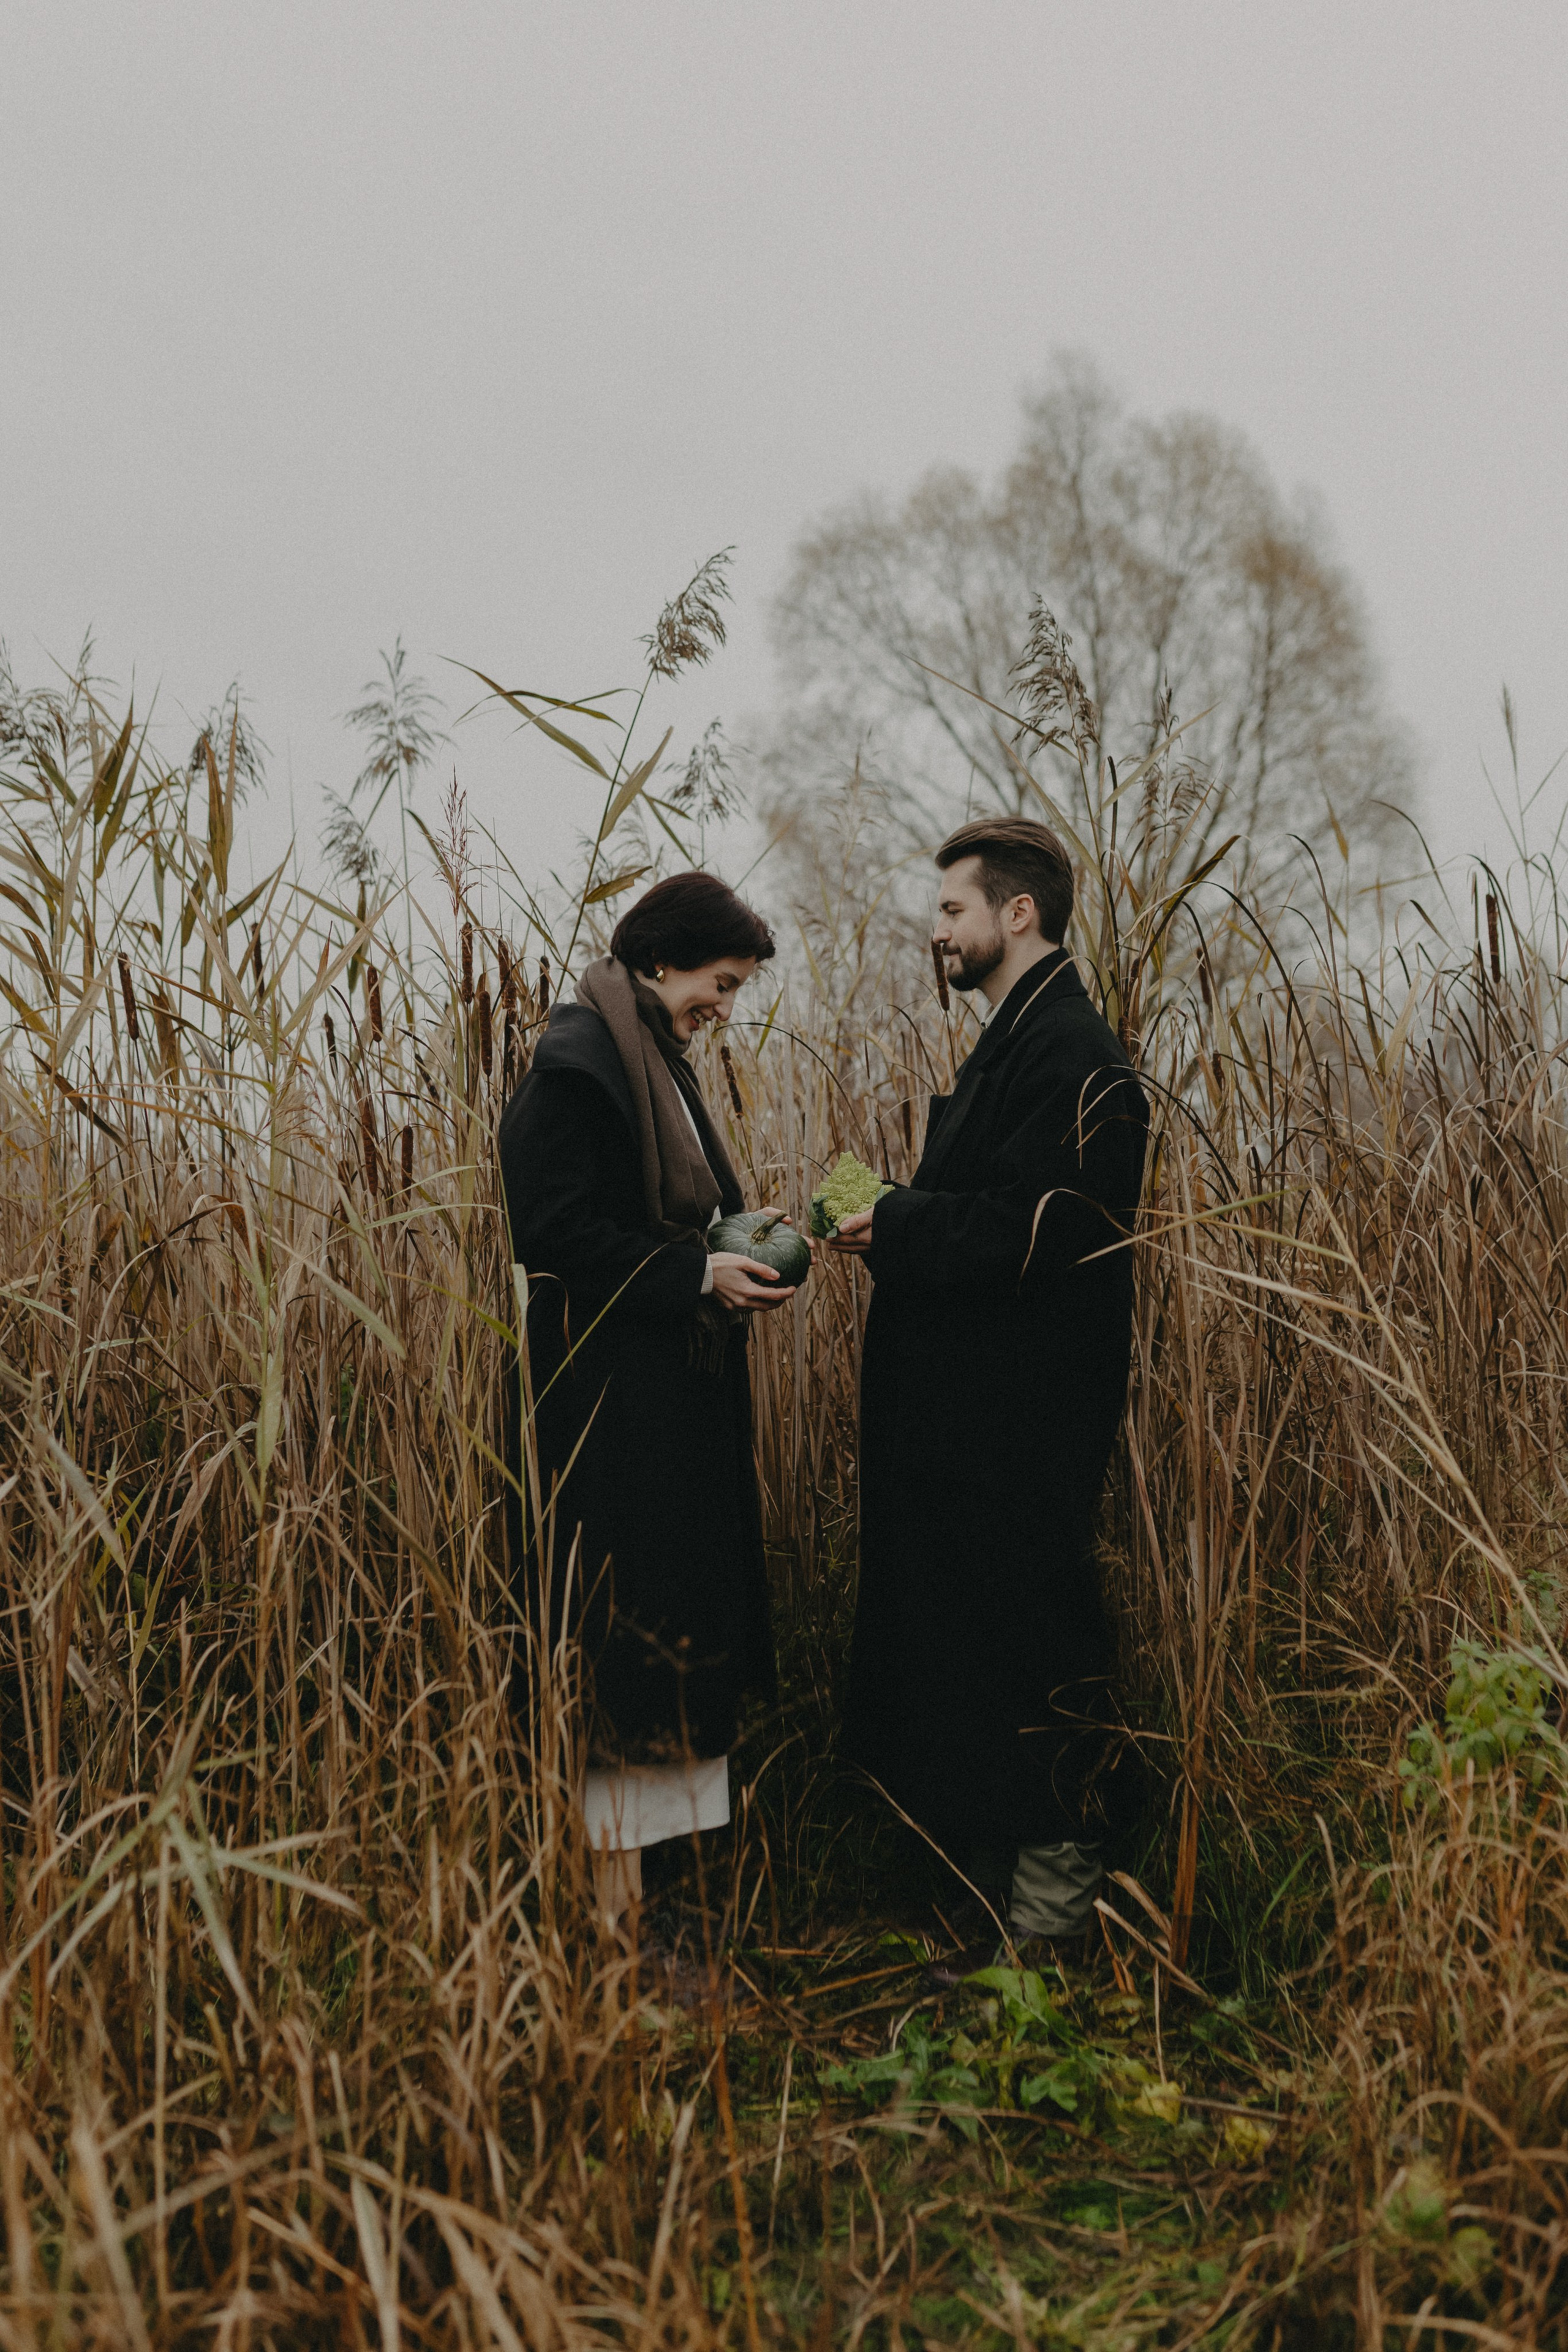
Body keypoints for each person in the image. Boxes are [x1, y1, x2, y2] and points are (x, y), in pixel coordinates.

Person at [831, 817, 1148, 1960]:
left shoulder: (1074, 1053)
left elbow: (1054, 1232)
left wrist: (902, 1220)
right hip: (971, 1433)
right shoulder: (1015, 1045)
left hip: (1021, 1436)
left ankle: (1049, 1920)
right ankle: (989, 1894)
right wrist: (898, 1215)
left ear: (1019, 915)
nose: (939, 931)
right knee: (973, 1648)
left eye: (954, 910)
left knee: (1031, 1644)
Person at [497, 873, 799, 1929]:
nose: (725, 1006)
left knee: (672, 1642)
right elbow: (555, 1232)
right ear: (661, 959)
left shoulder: (650, 1057)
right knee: (626, 1652)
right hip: (612, 1419)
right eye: (720, 984)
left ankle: (661, 1902)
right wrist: (696, 1276)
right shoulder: (578, 1065)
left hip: (667, 1411)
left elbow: (656, 1210)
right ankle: (619, 1921)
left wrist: (733, 1237)